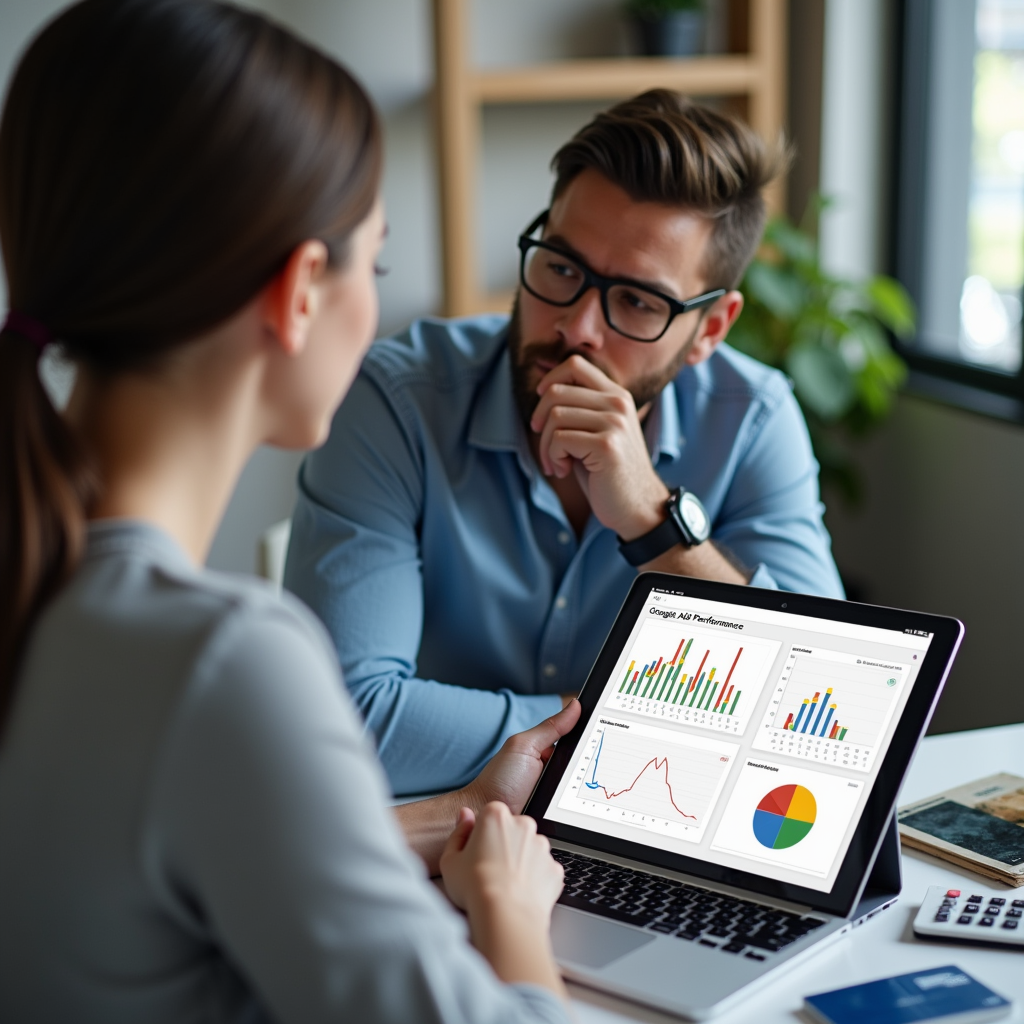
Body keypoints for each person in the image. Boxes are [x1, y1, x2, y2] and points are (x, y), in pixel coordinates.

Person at [0, 2, 579, 1021]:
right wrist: (510, 909)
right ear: (301, 290)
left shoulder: (47, 586)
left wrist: (442, 818)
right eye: (377, 260)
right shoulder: (219, 659)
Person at [285, 91, 846, 797]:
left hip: (649, 847)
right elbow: (345, 723)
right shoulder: (395, 402)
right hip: (427, 845)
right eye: (561, 267)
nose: (578, 326)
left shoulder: (753, 420)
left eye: (638, 301)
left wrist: (652, 522)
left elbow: (820, 710)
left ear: (711, 330)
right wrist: (642, 736)